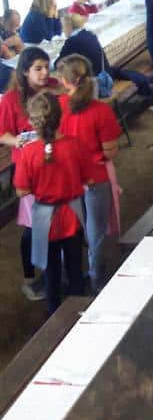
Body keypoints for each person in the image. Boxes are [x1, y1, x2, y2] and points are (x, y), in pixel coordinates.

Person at [14, 92, 93, 314]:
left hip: (43, 219)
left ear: (32, 121)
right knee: (75, 267)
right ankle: (79, 311)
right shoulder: (74, 145)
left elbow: (21, 190)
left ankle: (54, 316)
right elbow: (89, 178)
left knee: (51, 273)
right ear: (60, 117)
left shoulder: (28, 152)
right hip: (72, 214)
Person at [56, 55, 123, 293]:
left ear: (65, 81)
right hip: (96, 177)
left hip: (67, 178)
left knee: (70, 228)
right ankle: (97, 280)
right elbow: (110, 149)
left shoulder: (57, 106)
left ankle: (69, 275)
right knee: (95, 233)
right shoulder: (101, 111)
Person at [0, 47, 61, 301]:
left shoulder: (55, 86)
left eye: (47, 66)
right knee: (33, 224)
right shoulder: (10, 99)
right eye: (38, 68)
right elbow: (3, 134)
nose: (45, 72)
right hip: (28, 167)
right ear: (24, 71)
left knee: (57, 217)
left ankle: (57, 270)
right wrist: (20, 141)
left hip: (55, 162)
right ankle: (30, 278)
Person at [58, 11, 152, 97]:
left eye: (63, 27)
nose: (63, 30)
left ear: (69, 27)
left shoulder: (71, 42)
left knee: (70, 83)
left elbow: (58, 64)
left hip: (95, 81)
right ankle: (142, 82)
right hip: (105, 72)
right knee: (116, 70)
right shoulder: (90, 34)